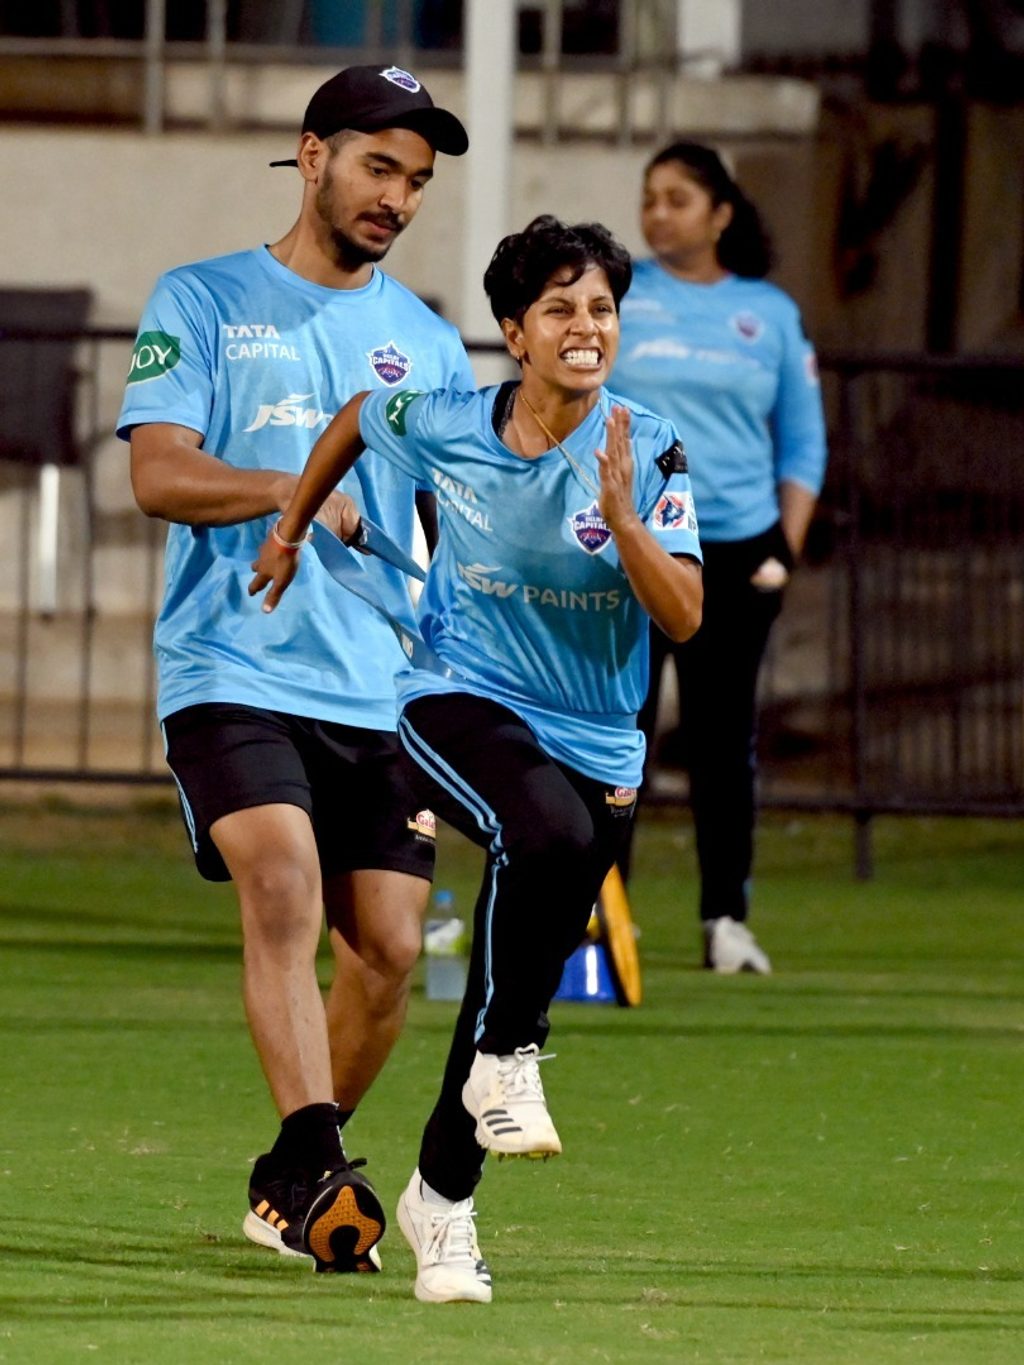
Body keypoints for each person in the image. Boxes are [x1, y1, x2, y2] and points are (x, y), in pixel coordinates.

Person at [249, 214, 704, 1302]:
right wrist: (291, 524)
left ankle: (441, 1205)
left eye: (599, 308)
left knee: (511, 972)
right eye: (559, 308)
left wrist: (623, 524)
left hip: (596, 738)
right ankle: (514, 1056)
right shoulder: (450, 420)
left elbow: (683, 617)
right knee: (544, 837)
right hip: (454, 695)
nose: (584, 327)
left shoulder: (650, 447)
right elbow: (359, 416)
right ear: (513, 330)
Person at [116, 64, 472, 1273]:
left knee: (387, 954)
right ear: (312, 155)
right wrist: (291, 489)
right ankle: (324, 1164)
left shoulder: (426, 343)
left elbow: (456, 522)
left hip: (380, 682)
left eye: (417, 181)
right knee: (282, 887)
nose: (398, 197)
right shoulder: (205, 298)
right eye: (379, 165)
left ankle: (297, 1173)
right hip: (231, 661)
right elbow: (157, 473)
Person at [610, 141, 828, 975]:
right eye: (649, 196)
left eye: (678, 198)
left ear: (721, 215)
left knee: (720, 736)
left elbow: (803, 442)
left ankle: (725, 919)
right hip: (633, 546)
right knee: (615, 737)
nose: (658, 213)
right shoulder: (619, 294)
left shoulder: (767, 313)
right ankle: (600, 918)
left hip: (735, 551)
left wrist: (785, 546)